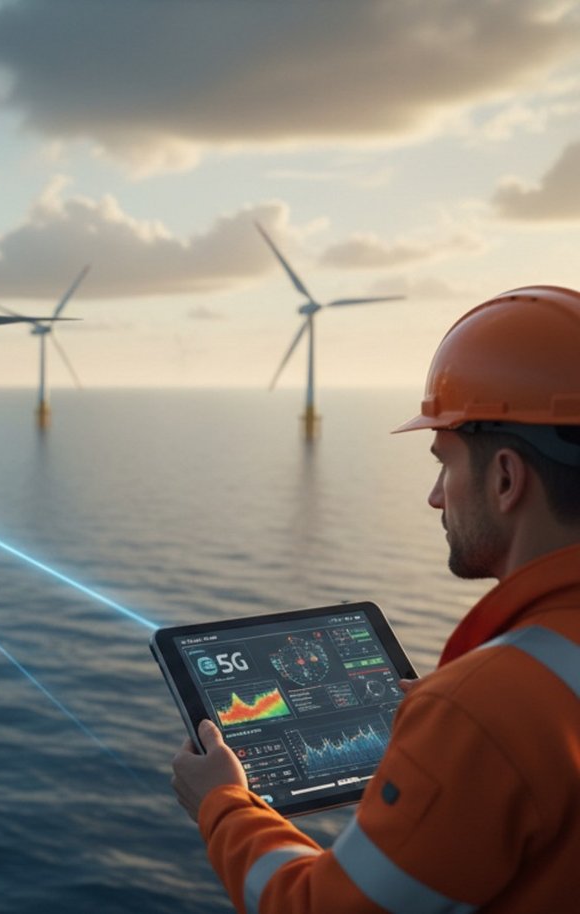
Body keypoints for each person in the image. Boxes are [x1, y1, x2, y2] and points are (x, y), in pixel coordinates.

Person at [170, 285, 580, 913]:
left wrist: (222, 803)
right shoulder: (510, 698)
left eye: (445, 462)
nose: (435, 496)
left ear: (504, 478)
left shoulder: (489, 708)